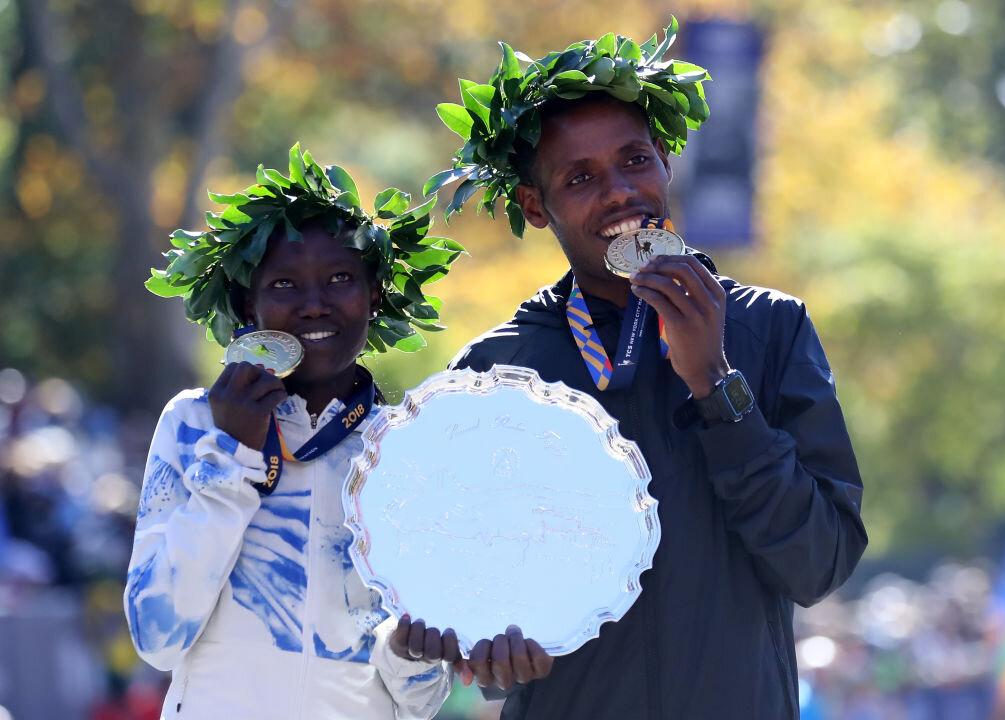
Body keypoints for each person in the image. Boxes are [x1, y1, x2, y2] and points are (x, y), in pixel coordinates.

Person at [428, 20, 868, 718]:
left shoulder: (768, 328)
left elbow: (818, 564)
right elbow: (470, 598)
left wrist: (718, 388)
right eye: (580, 178)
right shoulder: (499, 368)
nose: (619, 193)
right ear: (535, 207)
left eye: (635, 160)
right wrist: (489, 650)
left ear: (667, 160)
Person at [125, 144, 472, 719]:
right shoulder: (193, 425)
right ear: (247, 305)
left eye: (340, 279)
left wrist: (411, 653)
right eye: (284, 285)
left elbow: (420, 701)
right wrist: (232, 456)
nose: (314, 305)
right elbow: (158, 639)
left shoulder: (409, 451)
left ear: (374, 297)